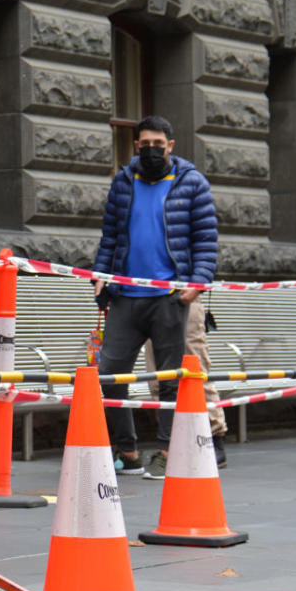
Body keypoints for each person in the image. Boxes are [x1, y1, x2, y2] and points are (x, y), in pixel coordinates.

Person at [93, 115, 217, 480]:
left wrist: (198, 282)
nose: (150, 151)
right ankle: (128, 452)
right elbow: (110, 235)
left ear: (171, 146)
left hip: (170, 297)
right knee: (110, 376)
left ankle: (165, 451)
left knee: (170, 379)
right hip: (125, 295)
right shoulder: (123, 181)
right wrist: (101, 277)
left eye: (157, 145)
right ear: (135, 147)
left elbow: (205, 239)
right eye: (144, 145)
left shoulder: (191, 182)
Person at [144, 296, 228, 467]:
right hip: (149, 297)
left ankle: (213, 438)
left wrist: (194, 286)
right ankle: (170, 442)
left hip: (184, 295)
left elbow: (205, 268)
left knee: (196, 372)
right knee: (158, 376)